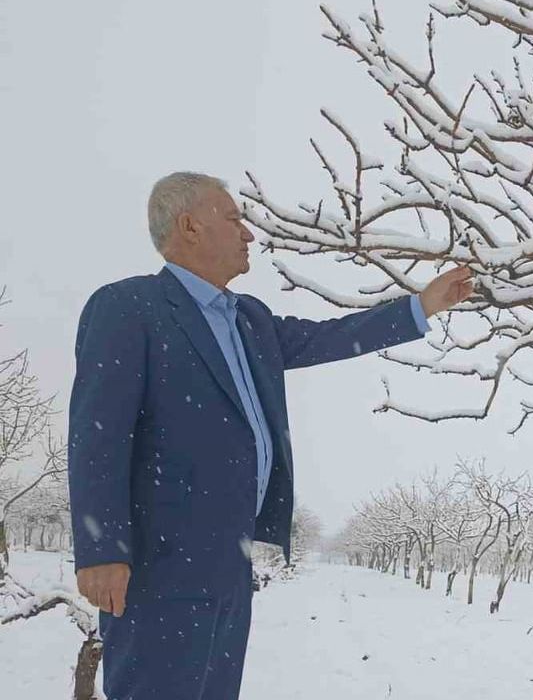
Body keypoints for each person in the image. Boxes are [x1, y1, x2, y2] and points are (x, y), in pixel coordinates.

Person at [68, 171, 472, 699]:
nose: (248, 233)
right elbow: (98, 433)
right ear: (190, 226)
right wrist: (101, 550)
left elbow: (330, 337)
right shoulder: (129, 307)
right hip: (159, 565)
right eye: (234, 218)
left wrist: (422, 306)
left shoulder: (249, 320)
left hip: (231, 564)